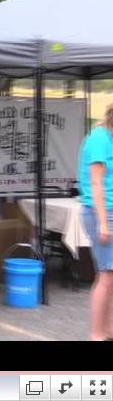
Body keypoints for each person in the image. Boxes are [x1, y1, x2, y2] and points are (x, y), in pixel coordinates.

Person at [78, 104, 113, 341]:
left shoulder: (107, 136)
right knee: (106, 275)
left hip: (106, 211)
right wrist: (102, 222)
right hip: (102, 212)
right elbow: (96, 183)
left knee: (109, 275)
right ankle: (96, 335)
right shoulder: (100, 138)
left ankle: (108, 330)